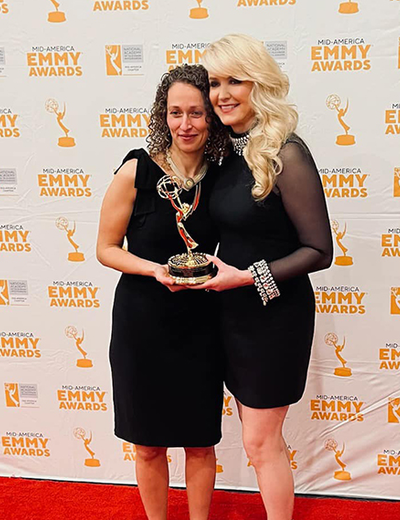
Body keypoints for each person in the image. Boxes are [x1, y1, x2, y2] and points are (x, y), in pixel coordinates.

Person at [196, 34, 333, 520]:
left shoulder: (286, 153)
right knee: (257, 438)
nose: (222, 93)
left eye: (236, 80)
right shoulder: (228, 153)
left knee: (259, 441)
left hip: (275, 319)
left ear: (261, 84)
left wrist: (250, 279)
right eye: (214, 82)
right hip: (229, 314)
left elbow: (320, 250)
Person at [96, 64, 229, 520]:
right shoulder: (136, 168)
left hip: (202, 326)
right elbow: (106, 249)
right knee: (148, 445)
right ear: (162, 116)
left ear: (211, 116)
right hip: (141, 326)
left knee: (199, 442)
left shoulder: (225, 178)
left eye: (196, 112)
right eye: (175, 113)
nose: (185, 124)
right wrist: (154, 270)